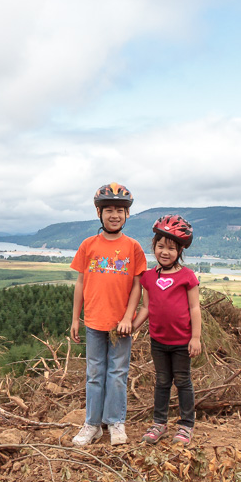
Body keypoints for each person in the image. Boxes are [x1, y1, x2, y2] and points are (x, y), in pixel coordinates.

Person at [70, 182, 147, 446]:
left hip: (120, 326)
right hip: (93, 321)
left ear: (127, 214)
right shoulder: (88, 245)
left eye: (119, 210)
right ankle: (92, 424)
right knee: (94, 374)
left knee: (117, 374)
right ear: (99, 213)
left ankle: (115, 422)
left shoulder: (133, 247)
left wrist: (128, 318)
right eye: (109, 210)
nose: (114, 215)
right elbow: (80, 283)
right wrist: (75, 318)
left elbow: (137, 285)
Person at [123, 214, 201, 445]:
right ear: (154, 246)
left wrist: (196, 338)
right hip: (158, 341)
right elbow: (146, 307)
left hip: (182, 341)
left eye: (171, 248)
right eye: (160, 246)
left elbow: (195, 308)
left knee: (183, 381)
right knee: (162, 381)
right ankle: (159, 423)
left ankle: (186, 425)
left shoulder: (187, 276)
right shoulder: (149, 277)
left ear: (180, 251)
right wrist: (131, 327)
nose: (165, 252)